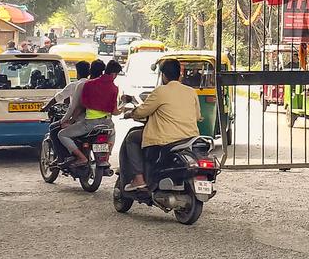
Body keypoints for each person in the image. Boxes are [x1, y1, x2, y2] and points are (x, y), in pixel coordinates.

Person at [120, 58, 202, 191]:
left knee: (132, 138)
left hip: (164, 138)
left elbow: (142, 111)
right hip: (188, 138)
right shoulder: (191, 92)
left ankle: (139, 179)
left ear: (163, 75)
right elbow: (198, 116)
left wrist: (130, 114)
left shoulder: (160, 91)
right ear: (180, 74)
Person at [59, 59, 121, 166]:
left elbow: (80, 107)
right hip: (106, 124)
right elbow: (114, 111)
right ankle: (106, 156)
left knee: (62, 134)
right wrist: (123, 110)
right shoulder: (114, 88)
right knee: (112, 134)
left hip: (89, 124)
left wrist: (70, 121)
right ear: (114, 74)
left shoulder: (88, 85)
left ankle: (82, 158)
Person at [45, 61, 91, 163]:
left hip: (78, 120)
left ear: (77, 73)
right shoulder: (93, 84)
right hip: (93, 119)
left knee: (54, 129)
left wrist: (46, 107)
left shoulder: (75, 85)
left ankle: (62, 157)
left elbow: (60, 99)